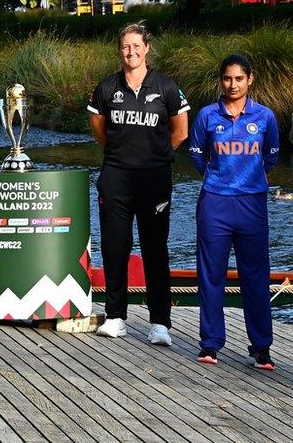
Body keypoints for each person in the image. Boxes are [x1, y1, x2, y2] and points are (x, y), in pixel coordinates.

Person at [88, 23, 189, 345]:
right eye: (125, 47)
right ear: (119, 51)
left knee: (155, 248)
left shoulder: (167, 87)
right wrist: (125, 156)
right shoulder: (106, 88)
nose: (130, 52)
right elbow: (100, 132)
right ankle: (116, 316)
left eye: (136, 46)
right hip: (116, 175)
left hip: (154, 177)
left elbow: (181, 132)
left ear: (147, 48)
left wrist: (154, 156)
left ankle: (160, 322)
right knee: (116, 247)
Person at [189, 54, 279, 368]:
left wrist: (250, 178)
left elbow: (270, 157)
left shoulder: (265, 117)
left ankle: (261, 348)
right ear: (221, 80)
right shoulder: (206, 115)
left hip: (252, 202)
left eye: (239, 79)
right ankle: (211, 343)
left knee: (255, 277)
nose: (233, 85)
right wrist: (220, 177)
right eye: (227, 78)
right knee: (211, 274)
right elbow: (198, 157)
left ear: (249, 79)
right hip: (215, 201)